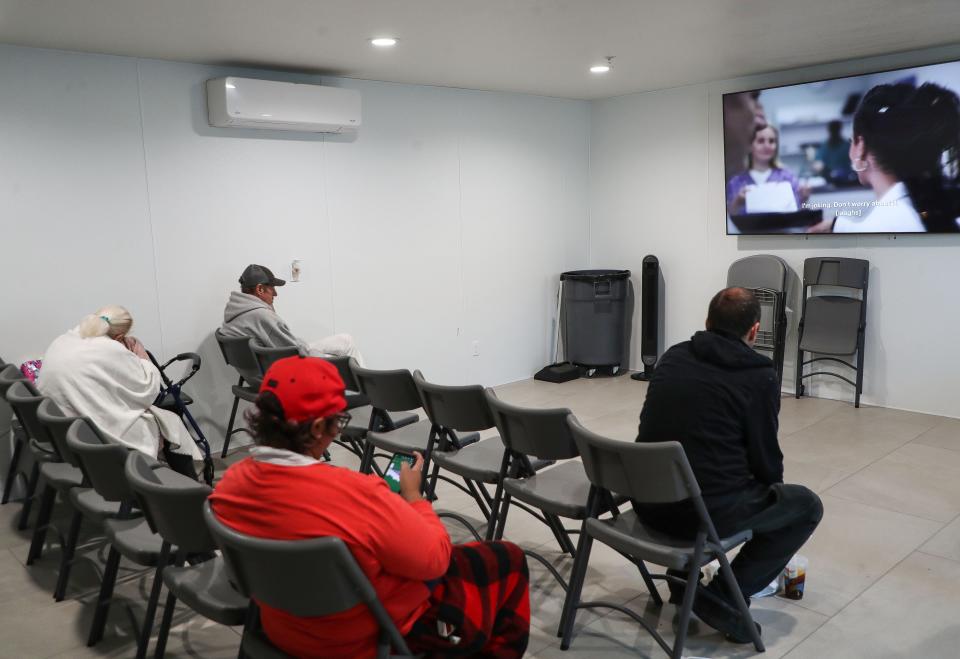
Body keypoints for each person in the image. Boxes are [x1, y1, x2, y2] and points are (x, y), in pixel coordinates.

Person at [210, 356, 530, 658]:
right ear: (319, 428)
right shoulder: (356, 494)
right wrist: (414, 498)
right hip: (363, 638)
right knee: (507, 559)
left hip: (283, 630)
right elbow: (433, 560)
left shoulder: (229, 488)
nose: (338, 430)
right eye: (338, 421)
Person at [632, 288, 823, 643]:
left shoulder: (673, 356)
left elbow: (649, 424)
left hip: (648, 502)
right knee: (805, 505)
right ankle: (722, 596)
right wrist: (770, 493)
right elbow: (765, 460)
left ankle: (686, 579)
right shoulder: (759, 377)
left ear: (707, 323)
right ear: (754, 331)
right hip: (704, 516)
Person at [38, 305, 202, 477]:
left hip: (59, 427)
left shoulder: (65, 339)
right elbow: (147, 392)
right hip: (91, 434)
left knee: (162, 419)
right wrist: (141, 356)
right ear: (120, 337)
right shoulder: (109, 348)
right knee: (170, 422)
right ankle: (187, 488)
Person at [817, 82, 960, 233]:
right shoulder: (933, 209)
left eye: (852, 141)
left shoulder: (884, 224)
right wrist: (836, 225)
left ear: (861, 147)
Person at [221, 264, 364, 363]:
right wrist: (334, 360)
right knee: (350, 360)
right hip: (290, 370)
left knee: (346, 340)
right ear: (260, 290)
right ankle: (367, 395)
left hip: (273, 364)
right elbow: (296, 354)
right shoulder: (261, 316)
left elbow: (286, 346)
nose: (275, 294)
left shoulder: (235, 314)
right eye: (272, 288)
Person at [726, 124, 808, 214]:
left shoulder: (787, 177)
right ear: (749, 145)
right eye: (760, 141)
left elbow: (798, 213)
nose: (767, 146)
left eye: (771, 141)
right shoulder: (736, 181)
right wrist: (737, 202)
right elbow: (729, 218)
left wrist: (804, 199)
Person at [812, 119, 852, 184]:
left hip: (846, 180)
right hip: (828, 180)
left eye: (835, 130)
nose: (834, 132)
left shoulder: (847, 146)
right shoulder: (824, 146)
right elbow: (818, 165)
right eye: (832, 130)